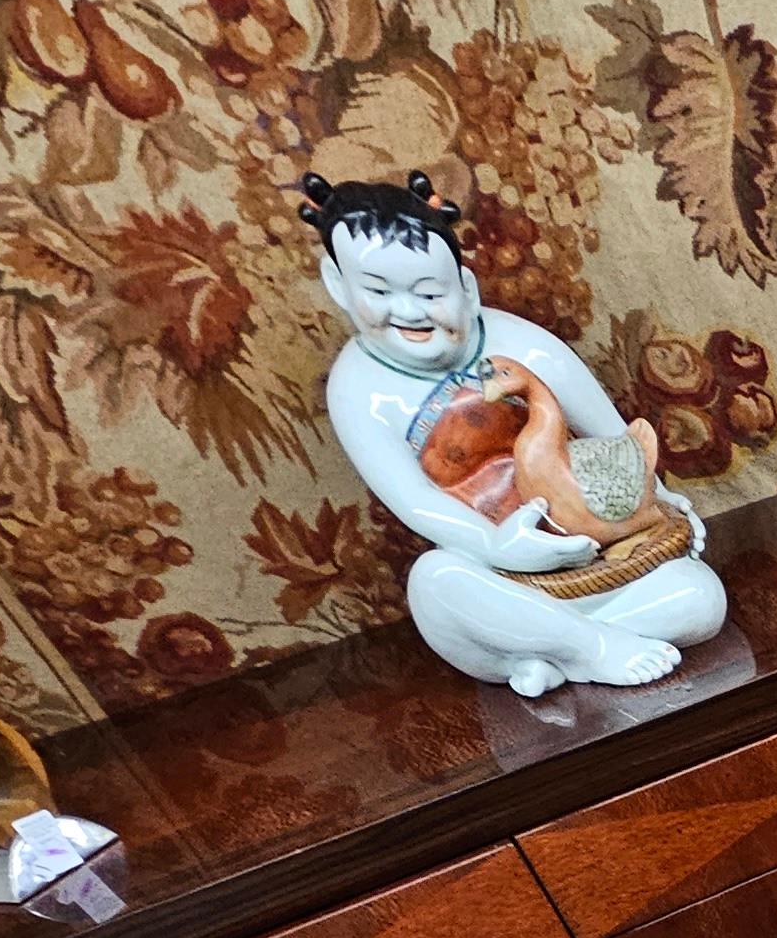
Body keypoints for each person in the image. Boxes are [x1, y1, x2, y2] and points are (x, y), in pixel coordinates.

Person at [301, 173, 729, 697]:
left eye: (430, 292)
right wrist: (501, 548)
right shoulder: (358, 389)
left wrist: (663, 503)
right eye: (378, 291)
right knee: (434, 581)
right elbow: (415, 503)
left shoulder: (521, 345)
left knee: (703, 601)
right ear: (337, 284)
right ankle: (591, 649)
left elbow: (618, 441)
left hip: (596, 559)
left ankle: (551, 651)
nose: (408, 311)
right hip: (497, 583)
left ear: (467, 286)